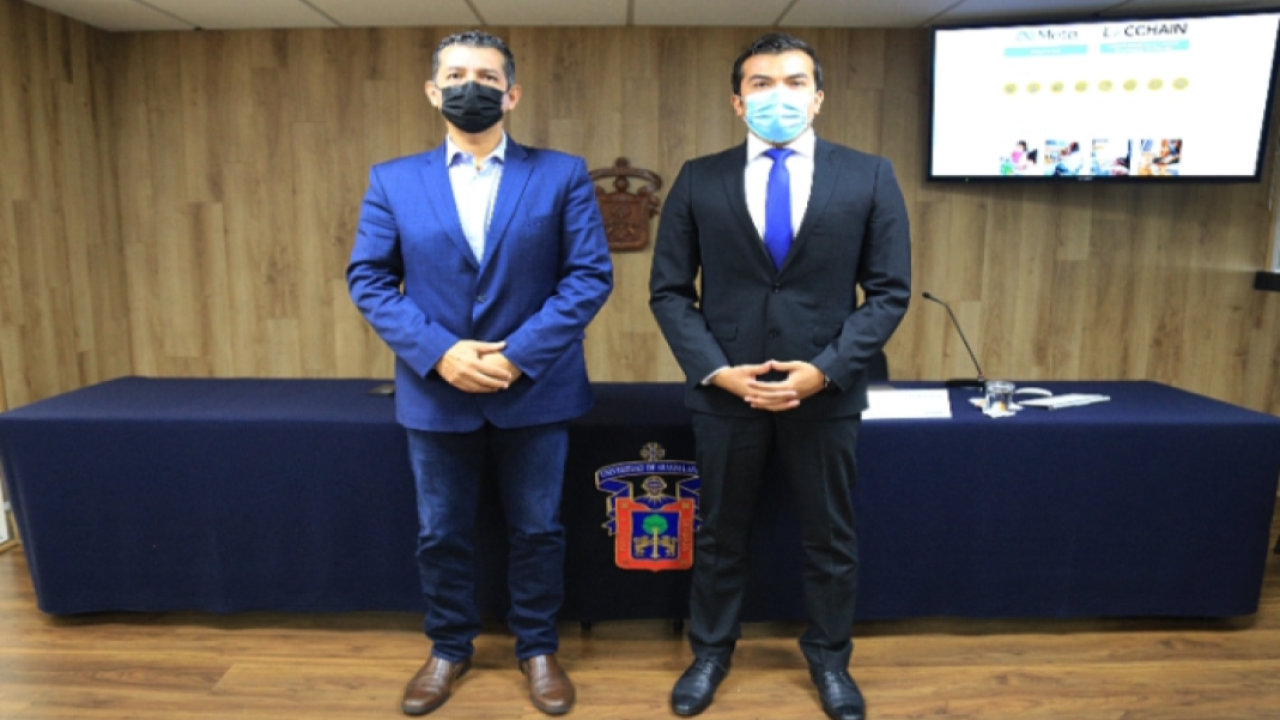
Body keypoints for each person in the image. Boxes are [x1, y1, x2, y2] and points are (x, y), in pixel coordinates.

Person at [347, 30, 613, 717]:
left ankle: (538, 648)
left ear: (512, 94)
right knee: (440, 534)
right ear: (433, 92)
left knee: (538, 530)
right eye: (457, 75)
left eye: (487, 77)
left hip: (537, 388)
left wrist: (515, 355)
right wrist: (442, 353)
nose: (472, 86)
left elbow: (588, 277)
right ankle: (448, 648)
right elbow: (369, 279)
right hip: (436, 391)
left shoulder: (562, 174)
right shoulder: (393, 180)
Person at [648, 32, 911, 720]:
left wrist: (825, 371)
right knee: (718, 535)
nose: (779, 96)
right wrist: (717, 372)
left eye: (795, 82)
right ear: (738, 103)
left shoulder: (870, 176)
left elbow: (889, 292)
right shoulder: (698, 178)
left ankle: (830, 660)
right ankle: (710, 654)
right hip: (726, 397)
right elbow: (669, 292)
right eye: (761, 84)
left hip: (825, 395)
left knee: (830, 539)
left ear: (818, 98)